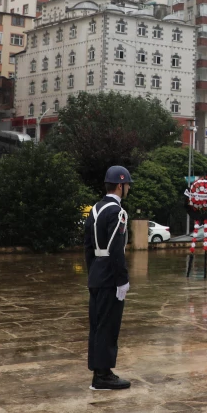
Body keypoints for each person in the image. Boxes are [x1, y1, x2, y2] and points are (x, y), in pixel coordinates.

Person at [83, 165, 133, 391]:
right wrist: (122, 280)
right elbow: (116, 248)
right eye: (127, 185)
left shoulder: (95, 209)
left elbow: (87, 247)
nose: (128, 188)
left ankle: (99, 370)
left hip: (97, 273)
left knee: (97, 325)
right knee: (108, 326)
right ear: (120, 186)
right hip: (110, 277)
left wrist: (92, 271)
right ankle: (102, 375)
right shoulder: (117, 212)